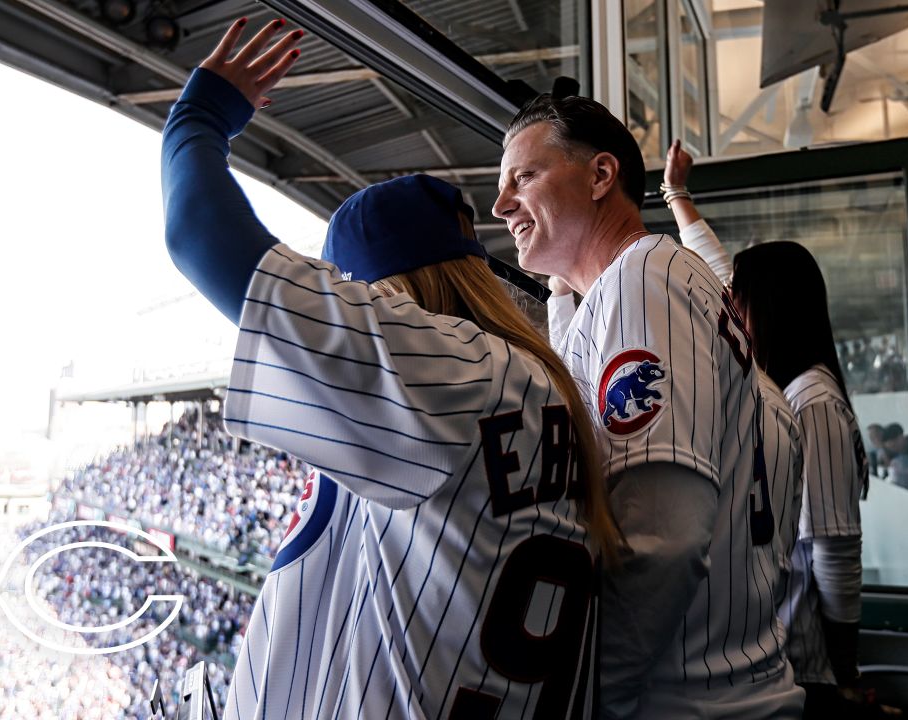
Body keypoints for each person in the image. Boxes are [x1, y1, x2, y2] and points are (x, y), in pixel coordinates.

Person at [162, 19, 621, 719]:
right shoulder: (544, 387)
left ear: (381, 293)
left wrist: (197, 119)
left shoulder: (451, 370)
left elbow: (199, 232)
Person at [495, 106, 803, 716]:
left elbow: (664, 533)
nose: (501, 205)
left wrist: (596, 695)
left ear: (601, 174)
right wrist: (563, 280)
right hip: (727, 687)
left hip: (684, 700)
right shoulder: (650, 281)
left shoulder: (643, 280)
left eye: (522, 178)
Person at [728, 242, 868, 718]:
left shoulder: (813, 401)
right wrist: (676, 196)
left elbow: (834, 547)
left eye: (737, 295)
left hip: (808, 667)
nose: (728, 305)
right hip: (778, 656)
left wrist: (846, 671)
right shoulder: (781, 390)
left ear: (767, 304)